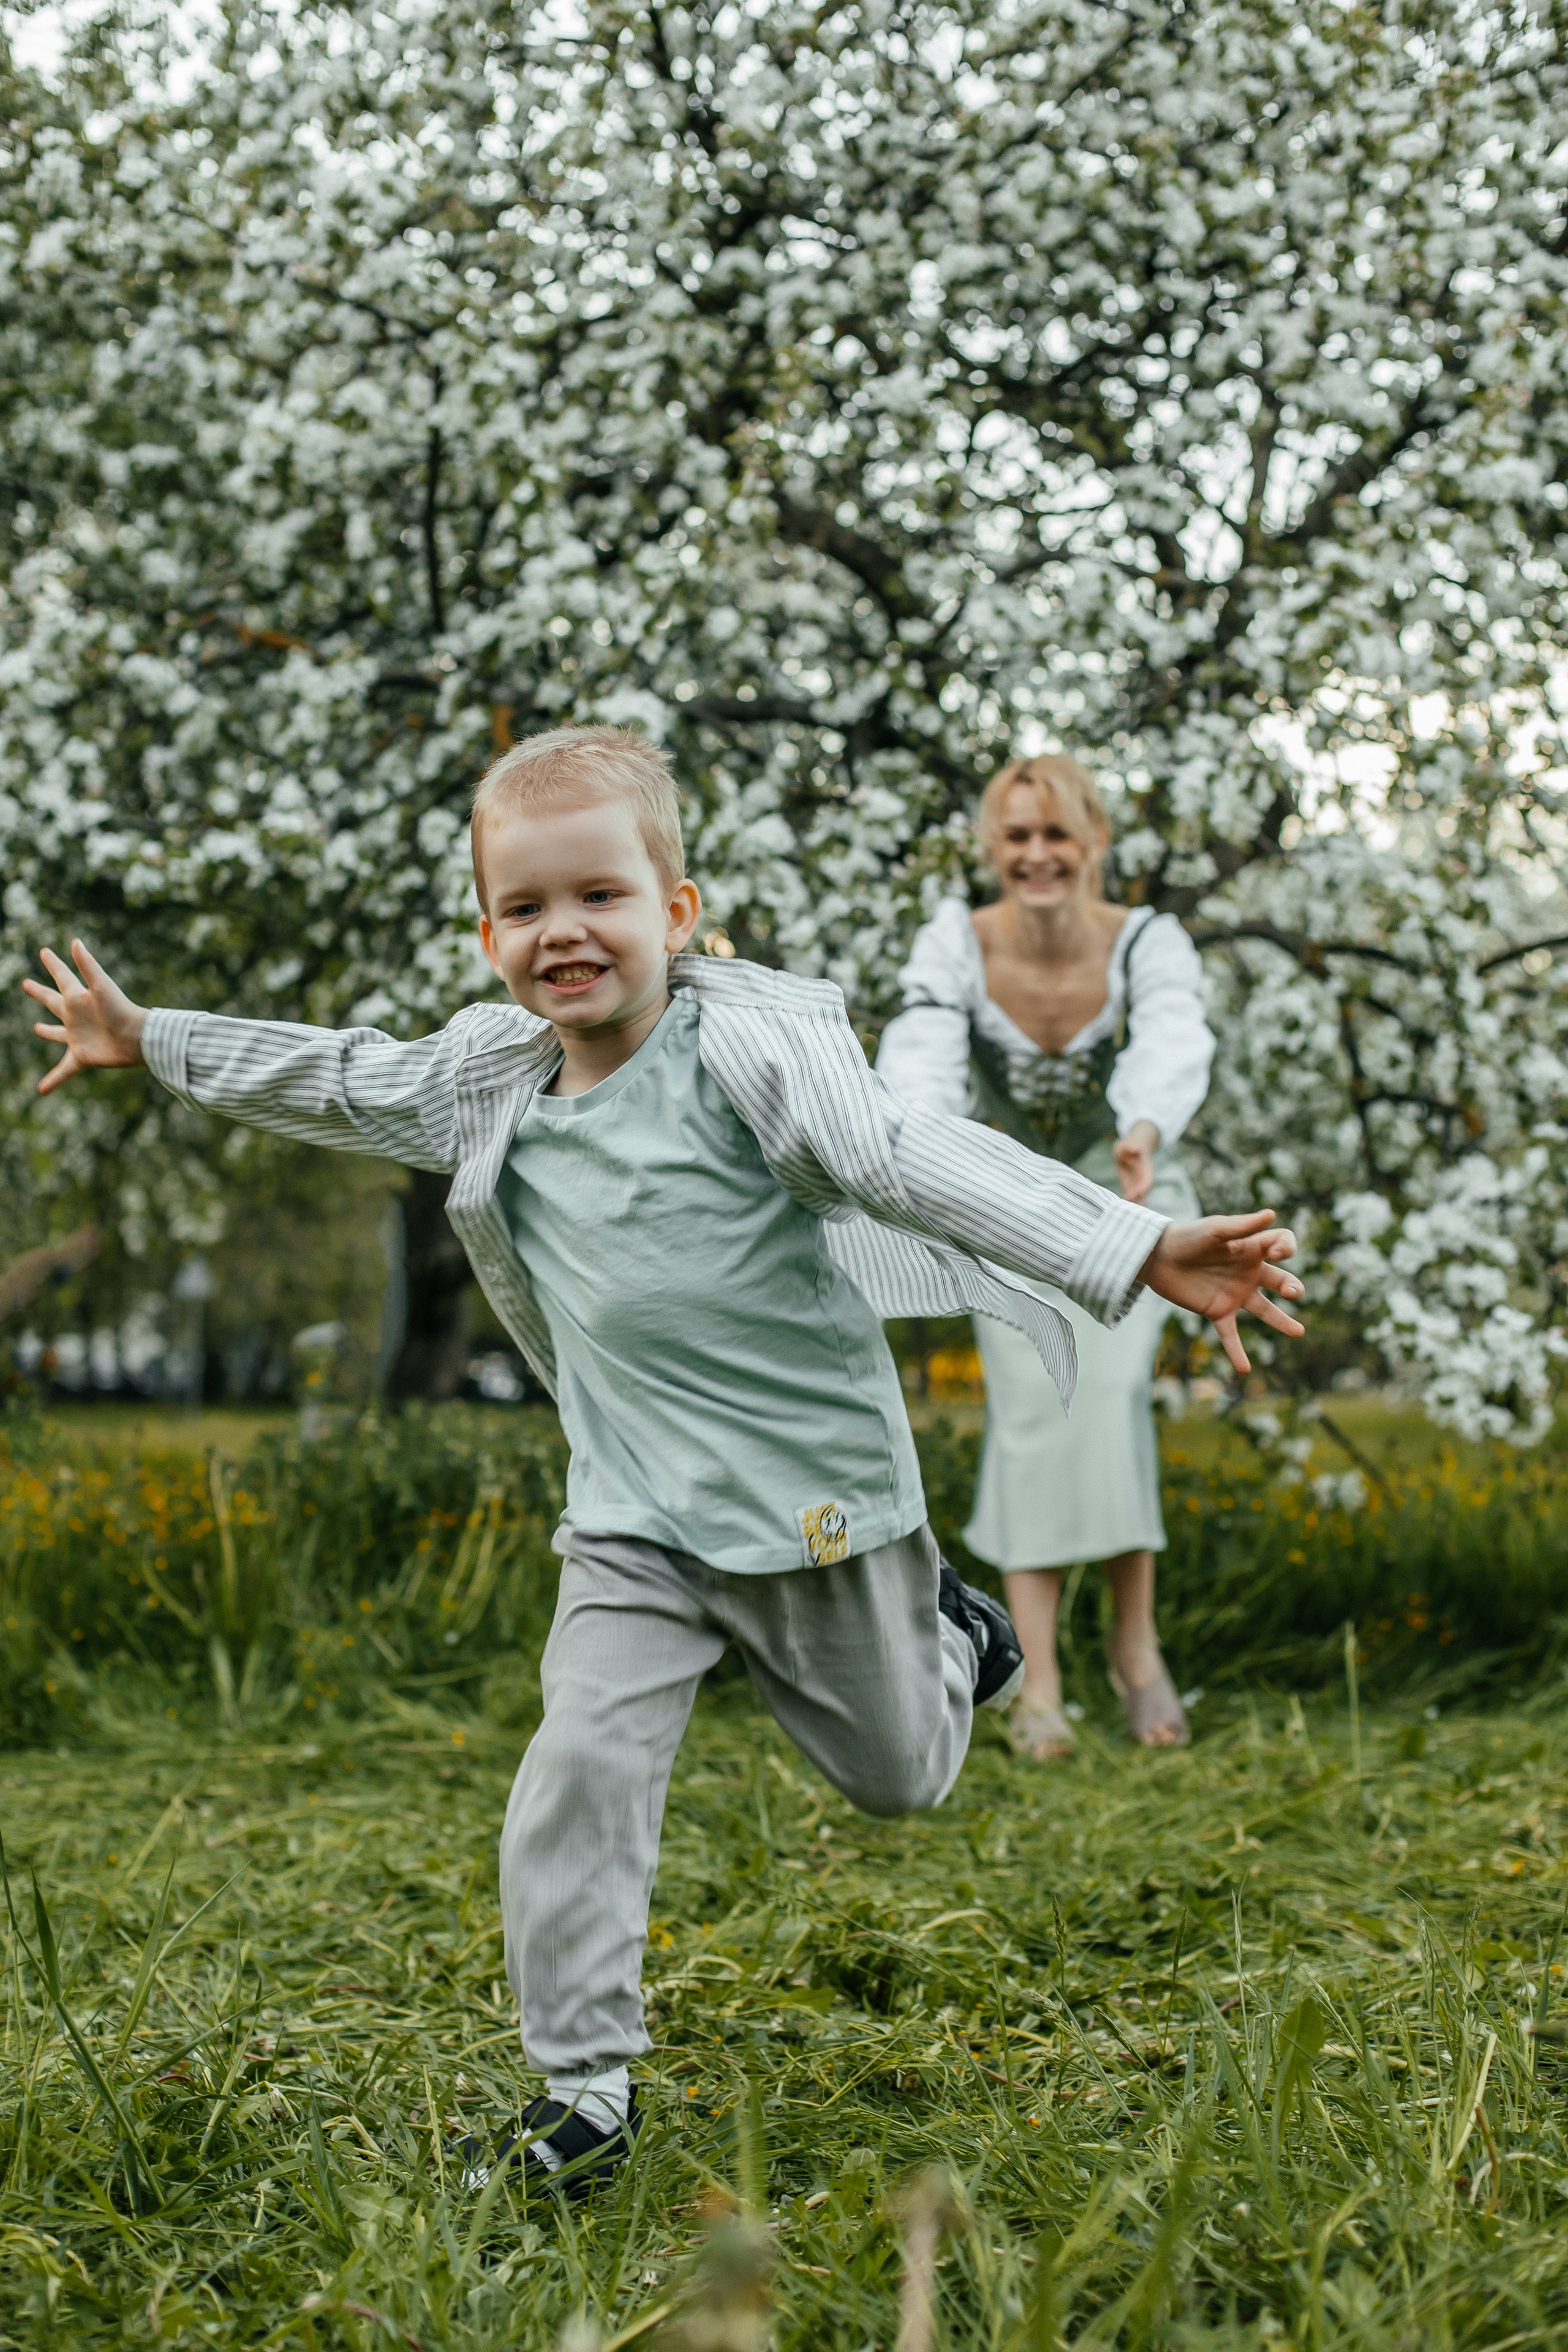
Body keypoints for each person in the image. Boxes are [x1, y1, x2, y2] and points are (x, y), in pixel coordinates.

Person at [24, 725, 1303, 2196]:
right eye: (524, 907)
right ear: (488, 936)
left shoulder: (750, 1057)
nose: (562, 931)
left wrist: (1131, 1245)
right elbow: (343, 1077)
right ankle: (583, 2088)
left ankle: (954, 1638)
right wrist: (153, 1038)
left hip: (816, 1509)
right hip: (632, 1519)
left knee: (897, 1778)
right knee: (578, 1764)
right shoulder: (488, 1081)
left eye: (600, 896)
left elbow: (910, 1156)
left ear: (676, 913)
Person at [879, 753, 1215, 1760]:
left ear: (1096, 841)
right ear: (994, 847)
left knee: (1105, 1395)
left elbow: (1174, 1037)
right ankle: (1037, 1674)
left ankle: (1133, 1646)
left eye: (1057, 834)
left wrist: (1143, 1129)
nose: (1037, 855)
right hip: (1015, 1200)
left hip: (1133, 1196)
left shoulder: (1146, 940)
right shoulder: (958, 940)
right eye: (1017, 836)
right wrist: (928, 1154)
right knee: (1036, 1411)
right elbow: (922, 1057)